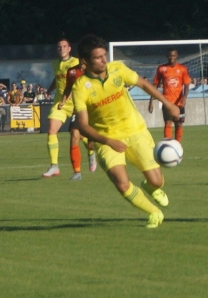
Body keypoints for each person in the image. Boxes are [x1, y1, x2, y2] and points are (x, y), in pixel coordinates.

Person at [72, 34, 181, 229]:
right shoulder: (81, 88)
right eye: (98, 57)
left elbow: (144, 84)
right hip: (108, 140)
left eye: (104, 55)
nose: (104, 60)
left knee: (156, 181)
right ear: (85, 61)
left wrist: (168, 104)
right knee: (122, 183)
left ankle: (151, 188)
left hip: (136, 131)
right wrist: (108, 141)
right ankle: (154, 213)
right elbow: (83, 126)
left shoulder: (118, 69)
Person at [42, 38, 96, 180]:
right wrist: (49, 90)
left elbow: (76, 83)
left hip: (76, 104)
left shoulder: (76, 63)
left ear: (69, 48)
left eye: (64, 46)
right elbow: (57, 79)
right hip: (60, 102)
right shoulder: (55, 64)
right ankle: (54, 165)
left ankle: (91, 152)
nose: (62, 49)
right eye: (59, 47)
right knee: (51, 130)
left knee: (80, 136)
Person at [149, 48, 192, 143]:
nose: (171, 57)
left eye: (173, 55)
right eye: (170, 55)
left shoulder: (182, 69)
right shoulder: (161, 69)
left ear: (177, 56)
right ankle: (168, 145)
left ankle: (177, 145)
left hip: (179, 101)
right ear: (167, 56)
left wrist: (184, 98)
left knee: (179, 123)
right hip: (166, 101)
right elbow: (155, 85)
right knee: (168, 122)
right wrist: (151, 101)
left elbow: (187, 84)